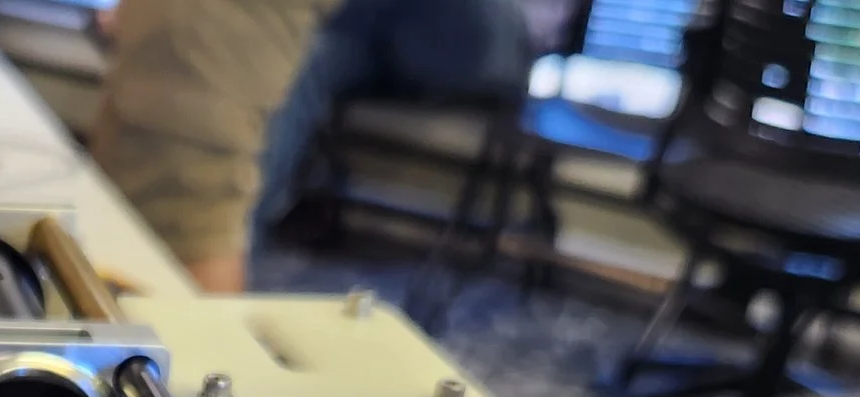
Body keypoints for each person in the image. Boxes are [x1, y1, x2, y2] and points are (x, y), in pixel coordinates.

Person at [93, 0, 534, 292]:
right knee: (288, 62)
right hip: (370, 28)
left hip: (474, 38)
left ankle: (181, 390)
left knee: (190, 66)